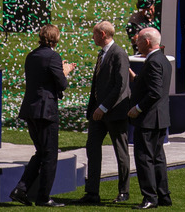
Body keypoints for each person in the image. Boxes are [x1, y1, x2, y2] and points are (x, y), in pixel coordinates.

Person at [10, 24, 76, 206]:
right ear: (56, 39)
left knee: (41, 152)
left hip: (30, 109)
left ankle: (21, 189)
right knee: (49, 155)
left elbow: (42, 78)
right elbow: (62, 84)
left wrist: (58, 70)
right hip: (45, 111)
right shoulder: (53, 56)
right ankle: (43, 197)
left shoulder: (31, 55)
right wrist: (65, 71)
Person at [78, 21, 131, 204]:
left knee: (121, 152)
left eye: (94, 34)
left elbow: (120, 85)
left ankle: (124, 191)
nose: (92, 37)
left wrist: (103, 107)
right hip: (97, 113)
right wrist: (95, 108)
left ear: (102, 34)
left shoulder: (118, 53)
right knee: (92, 149)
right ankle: (92, 192)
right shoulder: (102, 54)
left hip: (114, 112)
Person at [127, 27, 170, 209]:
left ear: (146, 42)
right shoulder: (162, 59)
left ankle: (150, 198)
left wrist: (137, 108)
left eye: (138, 40)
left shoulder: (153, 62)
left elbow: (155, 92)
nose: (135, 43)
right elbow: (153, 85)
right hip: (160, 118)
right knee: (158, 158)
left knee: (144, 158)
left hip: (148, 119)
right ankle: (163, 195)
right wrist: (136, 78)